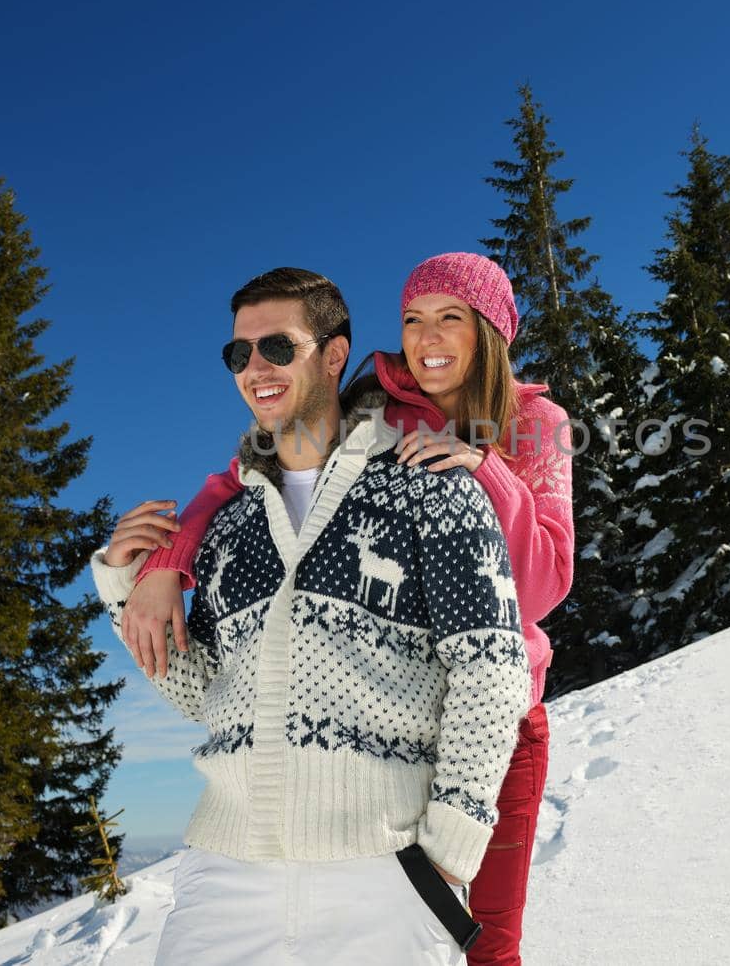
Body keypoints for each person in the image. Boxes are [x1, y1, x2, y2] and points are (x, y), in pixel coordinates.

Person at [120, 253, 574, 965]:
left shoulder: (535, 424)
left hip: (507, 709)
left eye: (450, 318)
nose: (427, 338)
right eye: (413, 319)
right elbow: (252, 467)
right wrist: (166, 559)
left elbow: (542, 586)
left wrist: (482, 467)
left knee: (489, 941)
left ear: (491, 332)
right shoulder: (379, 406)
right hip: (336, 779)